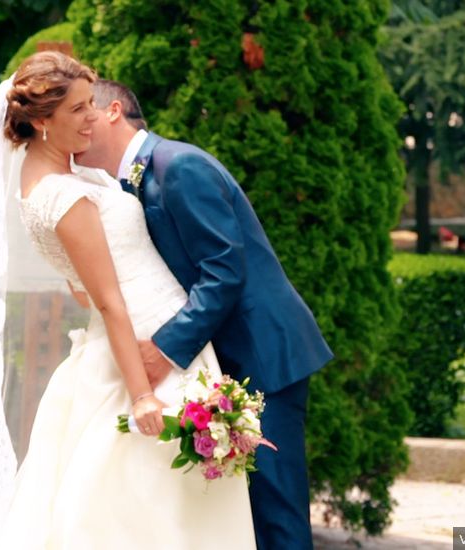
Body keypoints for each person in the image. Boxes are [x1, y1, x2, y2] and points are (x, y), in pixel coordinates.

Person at [0, 52, 256, 549]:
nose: (95, 117)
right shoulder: (64, 196)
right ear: (42, 121)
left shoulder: (48, 184)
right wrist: (142, 394)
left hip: (156, 337)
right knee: (152, 507)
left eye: (92, 104)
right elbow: (106, 301)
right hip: (145, 353)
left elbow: (78, 286)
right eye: (79, 110)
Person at [74, 79, 334, 549]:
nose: (77, 125)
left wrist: (165, 351)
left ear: (113, 111)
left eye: (83, 111)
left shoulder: (178, 165)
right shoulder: (123, 184)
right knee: (236, 515)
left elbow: (224, 272)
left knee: (274, 509)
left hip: (261, 356)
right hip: (219, 358)